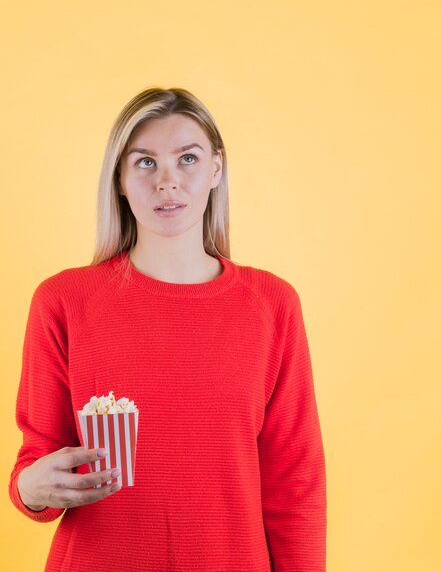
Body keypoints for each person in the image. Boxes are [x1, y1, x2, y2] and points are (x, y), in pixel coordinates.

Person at [9, 86, 327, 571]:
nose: (167, 181)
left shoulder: (272, 304)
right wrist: (30, 490)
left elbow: (295, 480)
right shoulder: (63, 302)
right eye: (144, 162)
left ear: (216, 169)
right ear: (118, 178)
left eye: (188, 158)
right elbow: (37, 465)